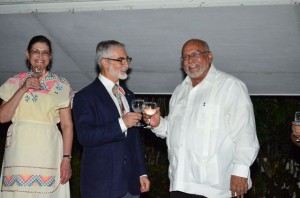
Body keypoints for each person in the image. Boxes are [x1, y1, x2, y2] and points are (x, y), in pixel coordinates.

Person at [144, 39, 260, 198]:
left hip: (216, 188)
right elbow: (175, 129)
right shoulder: (179, 91)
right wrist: (158, 124)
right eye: (185, 57)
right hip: (180, 183)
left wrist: (240, 171)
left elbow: (245, 133)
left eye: (195, 54)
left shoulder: (230, 86)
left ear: (209, 56)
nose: (190, 60)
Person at [72, 40, 150, 198]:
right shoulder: (85, 97)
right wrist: (122, 123)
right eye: (120, 60)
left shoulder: (129, 95)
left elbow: (135, 139)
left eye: (127, 59)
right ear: (105, 62)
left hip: (131, 184)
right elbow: (85, 136)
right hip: (102, 185)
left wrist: (141, 172)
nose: (126, 64)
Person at [0, 35, 73, 198]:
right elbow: (2, 117)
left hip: (48, 148)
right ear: (27, 54)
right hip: (19, 149)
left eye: (45, 52)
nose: (40, 56)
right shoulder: (14, 82)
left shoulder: (61, 84)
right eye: (36, 51)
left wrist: (66, 158)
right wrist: (23, 88)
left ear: (50, 56)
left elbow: (67, 126)